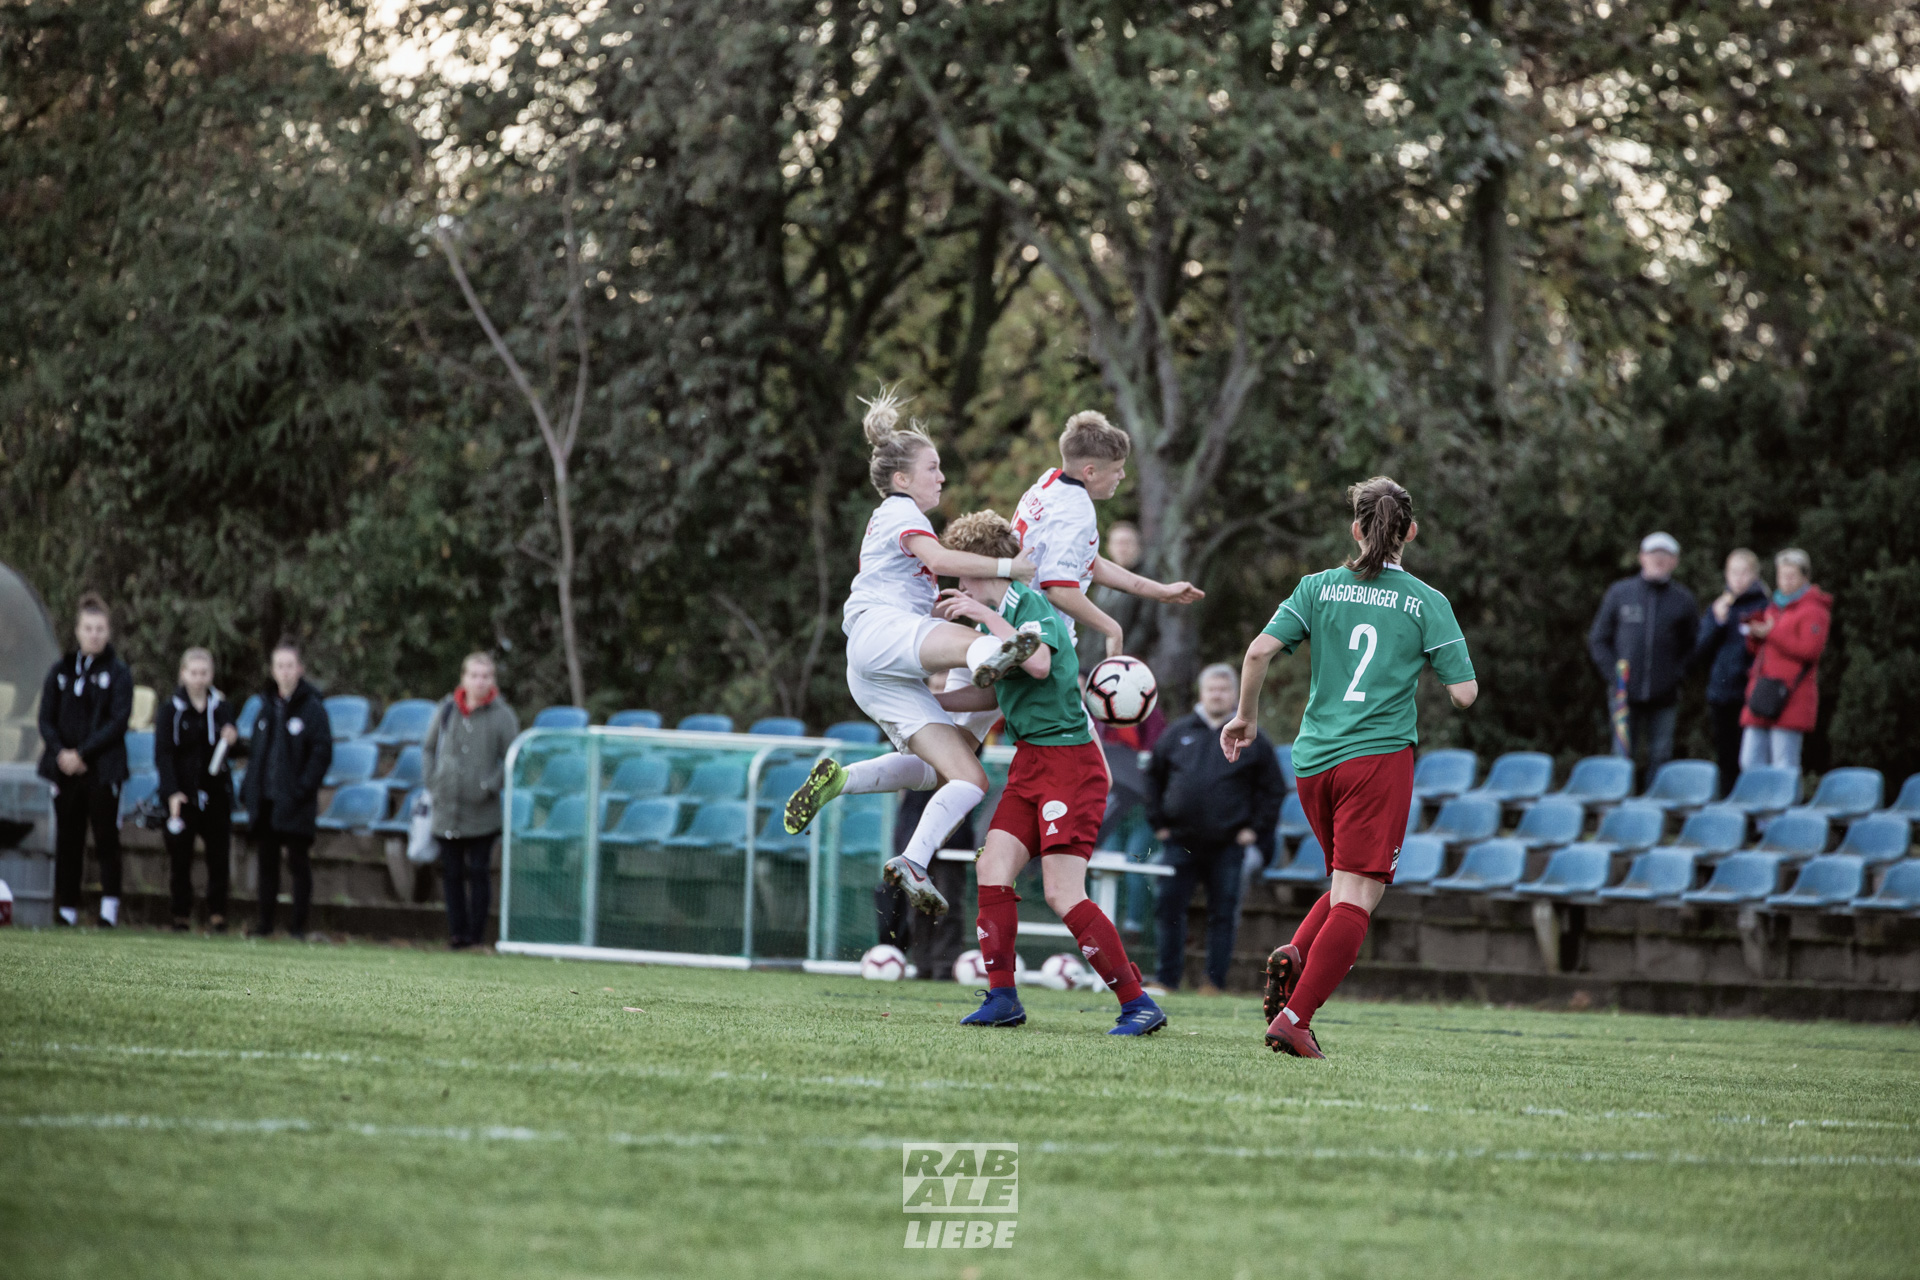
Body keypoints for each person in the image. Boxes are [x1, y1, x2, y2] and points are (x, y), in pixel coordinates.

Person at [1222, 477, 1477, 1058]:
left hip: (1314, 760)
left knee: (1345, 884)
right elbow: (1464, 695)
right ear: (1411, 531)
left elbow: (1258, 650)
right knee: (1360, 897)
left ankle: (1295, 954)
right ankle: (1295, 1018)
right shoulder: (1427, 601)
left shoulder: (1316, 587)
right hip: (1376, 760)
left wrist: (1245, 719)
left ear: (1356, 529)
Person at [781, 387, 1043, 920]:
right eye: (933, 467)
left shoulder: (900, 515)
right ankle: (993, 656)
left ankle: (881, 826)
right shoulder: (900, 510)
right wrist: (1011, 568)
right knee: (975, 644)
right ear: (902, 480)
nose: (941, 477)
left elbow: (934, 568)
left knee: (962, 776)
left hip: (874, 671)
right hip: (880, 632)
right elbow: (941, 558)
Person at [931, 510, 1167, 1036]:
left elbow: (1035, 662)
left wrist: (981, 614)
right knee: (992, 868)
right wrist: (933, 702)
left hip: (1070, 764)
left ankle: (1138, 1003)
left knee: (1063, 892)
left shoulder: (1029, 604)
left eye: (965, 573)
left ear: (985, 566)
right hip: (1030, 761)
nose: (959, 585)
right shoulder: (994, 619)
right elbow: (998, 695)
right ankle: (1002, 998)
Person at [1012, 412, 1203, 658]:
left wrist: (1160, 591)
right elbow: (1058, 588)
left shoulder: (1049, 481)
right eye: (1117, 469)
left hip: (1011, 615)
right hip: (1040, 635)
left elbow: (1091, 564)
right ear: (1090, 472)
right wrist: (1112, 629)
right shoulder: (1077, 511)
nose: (1122, 476)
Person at [1145, 664, 1286, 995]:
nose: (1217, 695)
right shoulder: (1177, 733)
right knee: (1168, 909)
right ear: (1202, 692)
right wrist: (1159, 823)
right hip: (1180, 841)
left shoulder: (1252, 738)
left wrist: (1255, 829)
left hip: (1228, 844)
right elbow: (1152, 777)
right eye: (1212, 689)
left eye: (1224, 689)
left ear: (1235, 694)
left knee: (1223, 914)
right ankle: (1166, 979)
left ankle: (1214, 982)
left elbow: (1273, 789)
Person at [36, 593, 134, 928]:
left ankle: (109, 910)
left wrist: (83, 753)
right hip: (64, 770)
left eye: (100, 629)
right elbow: (45, 719)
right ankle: (67, 909)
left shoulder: (119, 673)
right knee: (68, 839)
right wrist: (62, 753)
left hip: (102, 769)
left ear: (108, 632)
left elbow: (117, 721)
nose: (94, 634)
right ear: (78, 631)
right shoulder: (60, 671)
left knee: (106, 838)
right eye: (88, 628)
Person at [421, 652, 519, 949]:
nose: (480, 681)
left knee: (479, 872)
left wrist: (490, 786)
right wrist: (434, 782)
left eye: (485, 676)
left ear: (493, 680)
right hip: (447, 808)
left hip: (482, 812)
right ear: (463, 678)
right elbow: (428, 748)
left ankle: (476, 935)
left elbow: (513, 757)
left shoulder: (502, 716)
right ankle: (457, 934)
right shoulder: (446, 709)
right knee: (451, 874)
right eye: (474, 675)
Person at [1586, 532, 1698, 786]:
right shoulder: (1620, 593)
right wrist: (1615, 676)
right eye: (1653, 554)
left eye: (1665, 555)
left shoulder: (1683, 600)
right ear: (1641, 558)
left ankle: (1655, 808)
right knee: (1622, 756)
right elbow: (1598, 640)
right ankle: (1620, 805)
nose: (1659, 560)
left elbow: (1693, 646)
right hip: (1624, 695)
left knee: (1661, 755)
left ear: (1675, 561)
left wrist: (1676, 675)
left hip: (1665, 696)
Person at [240, 639, 332, 938]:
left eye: (290, 665)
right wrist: (250, 789)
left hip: (296, 801)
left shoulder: (313, 708)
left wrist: (302, 789)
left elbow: (321, 754)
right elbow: (257, 754)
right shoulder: (265, 707)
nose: (285, 671)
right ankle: (264, 925)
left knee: (297, 863)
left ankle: (298, 927)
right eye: (279, 666)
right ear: (272, 670)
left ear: (300, 669)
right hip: (266, 800)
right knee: (267, 864)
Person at [153, 648, 238, 932]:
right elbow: (163, 754)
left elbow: (233, 749)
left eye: (204, 673)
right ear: (183, 674)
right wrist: (171, 792)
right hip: (183, 794)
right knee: (180, 857)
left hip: (216, 794)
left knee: (219, 857)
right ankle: (180, 914)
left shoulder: (222, 708)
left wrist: (233, 739)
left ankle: (218, 913)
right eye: (193, 673)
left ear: (211, 675)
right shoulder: (170, 710)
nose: (199, 679)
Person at [1739, 548, 1830, 772]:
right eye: (1782, 575)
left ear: (1805, 578)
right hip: (1763, 692)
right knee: (1749, 761)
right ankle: (1759, 796)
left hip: (1791, 694)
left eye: (1792, 576)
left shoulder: (1814, 610)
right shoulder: (1774, 607)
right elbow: (1762, 650)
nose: (1786, 581)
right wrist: (1755, 635)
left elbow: (1810, 650)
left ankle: (1784, 797)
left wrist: (1771, 633)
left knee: (1784, 765)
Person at [1692, 548, 1769, 798]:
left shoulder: (1765, 606)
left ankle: (1753, 808)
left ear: (1755, 576)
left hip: (1751, 692)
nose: (1739, 579)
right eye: (1734, 573)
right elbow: (1700, 650)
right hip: (1722, 691)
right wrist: (1717, 621)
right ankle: (1728, 806)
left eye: (1744, 573)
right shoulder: (1719, 607)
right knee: (1726, 756)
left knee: (1751, 757)